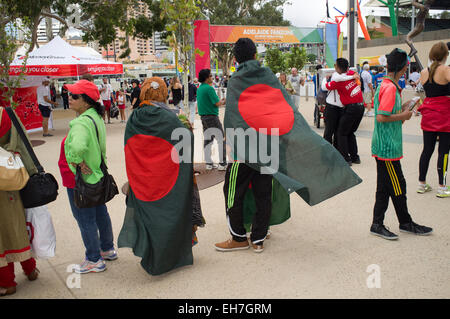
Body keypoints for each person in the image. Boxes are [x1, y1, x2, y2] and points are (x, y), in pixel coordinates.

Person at [118, 77, 200, 275]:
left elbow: (130, 147)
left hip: (144, 178)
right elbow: (185, 139)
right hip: (168, 177)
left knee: (151, 216)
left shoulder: (134, 118)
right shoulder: (171, 116)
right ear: (164, 94)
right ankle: (173, 256)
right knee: (171, 213)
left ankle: (152, 255)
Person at [214, 38, 274, 253]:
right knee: (263, 193)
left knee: (232, 192)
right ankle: (258, 238)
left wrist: (229, 141)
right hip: (268, 146)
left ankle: (238, 237)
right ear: (256, 56)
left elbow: (232, 115)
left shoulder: (236, 80)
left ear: (235, 59)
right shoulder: (268, 76)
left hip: (243, 149)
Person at [370, 48, 433, 240]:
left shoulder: (386, 84)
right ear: (404, 67)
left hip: (384, 146)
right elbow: (381, 117)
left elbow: (385, 112)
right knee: (398, 186)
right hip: (388, 148)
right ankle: (404, 222)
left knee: (385, 187)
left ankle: (378, 224)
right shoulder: (390, 88)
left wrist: (404, 108)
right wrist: (404, 115)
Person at [63, 80, 117, 274]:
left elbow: (77, 147)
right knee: (101, 213)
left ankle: (94, 259)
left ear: (86, 101)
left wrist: (75, 160)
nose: (69, 98)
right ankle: (107, 248)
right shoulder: (95, 117)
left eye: (74, 96)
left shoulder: (80, 123)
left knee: (85, 218)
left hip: (82, 180)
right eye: (70, 94)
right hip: (96, 175)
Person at [0, 107, 40, 296]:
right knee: (16, 224)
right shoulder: (6, 113)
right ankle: (30, 269)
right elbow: (22, 145)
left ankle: (7, 282)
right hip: (9, 179)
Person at [417, 41, 450, 198]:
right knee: (443, 152)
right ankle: (442, 187)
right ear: (446, 55)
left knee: (427, 150)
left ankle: (421, 184)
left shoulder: (424, 72)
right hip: (444, 114)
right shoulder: (445, 70)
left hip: (429, 114)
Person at [324, 58, 365, 165]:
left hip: (351, 108)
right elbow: (353, 73)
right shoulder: (352, 74)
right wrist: (352, 76)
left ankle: (346, 159)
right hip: (360, 107)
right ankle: (355, 157)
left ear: (337, 68)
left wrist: (325, 78)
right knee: (350, 132)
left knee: (341, 133)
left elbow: (325, 86)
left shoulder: (338, 81)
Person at [197, 68, 227, 170]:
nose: (212, 77)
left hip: (203, 117)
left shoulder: (200, 88)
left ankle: (208, 163)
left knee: (208, 140)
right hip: (212, 116)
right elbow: (217, 103)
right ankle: (222, 164)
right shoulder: (209, 88)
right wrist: (224, 101)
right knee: (221, 139)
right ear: (206, 78)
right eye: (210, 76)